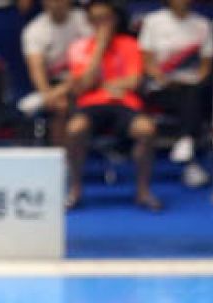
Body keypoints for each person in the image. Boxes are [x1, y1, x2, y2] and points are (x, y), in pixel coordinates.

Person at [65, 0, 160, 211]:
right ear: (89, 21)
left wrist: (104, 84)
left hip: (124, 104)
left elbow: (134, 82)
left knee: (147, 130)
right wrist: (100, 47)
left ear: (115, 19)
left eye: (106, 19)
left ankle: (143, 192)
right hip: (91, 105)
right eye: (96, 20)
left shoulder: (130, 44)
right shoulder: (79, 47)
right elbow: (83, 85)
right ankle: (75, 190)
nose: (102, 24)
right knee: (74, 130)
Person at [138, 0, 213, 187]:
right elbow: (147, 61)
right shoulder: (153, 21)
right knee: (191, 100)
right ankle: (190, 153)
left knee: (194, 94)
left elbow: (206, 65)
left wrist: (196, 79)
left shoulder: (203, 24)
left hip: (192, 86)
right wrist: (162, 78)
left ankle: (186, 145)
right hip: (161, 87)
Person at [21, 0, 91, 144]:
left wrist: (68, 87)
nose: (57, 3)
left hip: (87, 78)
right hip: (55, 83)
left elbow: (94, 57)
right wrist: (49, 95)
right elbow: (37, 71)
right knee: (59, 105)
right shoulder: (34, 30)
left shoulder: (84, 21)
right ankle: (60, 155)